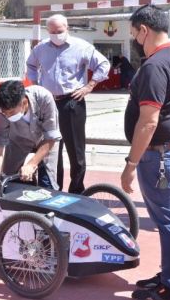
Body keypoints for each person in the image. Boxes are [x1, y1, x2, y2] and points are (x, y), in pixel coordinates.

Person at [120, 5, 170, 300]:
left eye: (135, 34)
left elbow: (149, 120)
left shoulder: (154, 66)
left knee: (167, 220)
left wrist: (131, 163)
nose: (136, 41)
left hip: (161, 155)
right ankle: (169, 274)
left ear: (144, 30)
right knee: (168, 219)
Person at [26, 14, 110, 193]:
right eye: (52, 32)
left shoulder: (81, 46)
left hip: (72, 102)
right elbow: (31, 65)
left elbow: (103, 64)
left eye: (60, 31)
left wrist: (89, 86)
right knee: (50, 149)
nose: (56, 34)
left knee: (76, 151)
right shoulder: (41, 48)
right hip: (47, 104)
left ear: (67, 28)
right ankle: (54, 189)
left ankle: (77, 190)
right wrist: (35, 85)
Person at [0, 80, 61, 190]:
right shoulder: (2, 109)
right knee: (11, 185)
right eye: (4, 113)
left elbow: (51, 137)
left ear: (24, 102)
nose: (7, 117)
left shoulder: (44, 98)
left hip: (45, 143)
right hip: (18, 143)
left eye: (11, 113)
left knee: (47, 187)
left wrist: (31, 164)